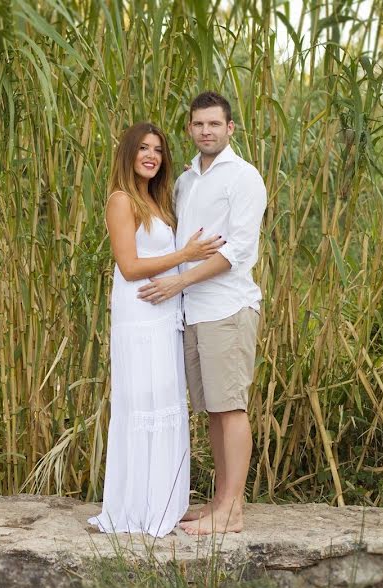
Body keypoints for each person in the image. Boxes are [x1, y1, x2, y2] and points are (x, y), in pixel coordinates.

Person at [138, 92, 267, 535]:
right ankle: (219, 502)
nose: (206, 131)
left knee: (231, 407)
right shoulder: (187, 179)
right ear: (190, 129)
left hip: (226, 307)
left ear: (230, 128)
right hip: (193, 313)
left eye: (215, 124)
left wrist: (177, 281)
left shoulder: (244, 178)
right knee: (213, 408)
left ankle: (232, 510)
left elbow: (239, 251)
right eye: (199, 125)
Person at [88, 122, 224, 538]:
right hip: (140, 314)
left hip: (167, 315)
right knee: (142, 404)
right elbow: (129, 267)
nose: (151, 155)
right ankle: (136, 508)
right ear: (128, 153)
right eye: (143, 148)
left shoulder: (157, 200)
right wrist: (185, 254)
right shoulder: (121, 200)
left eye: (159, 150)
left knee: (166, 402)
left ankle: (164, 503)